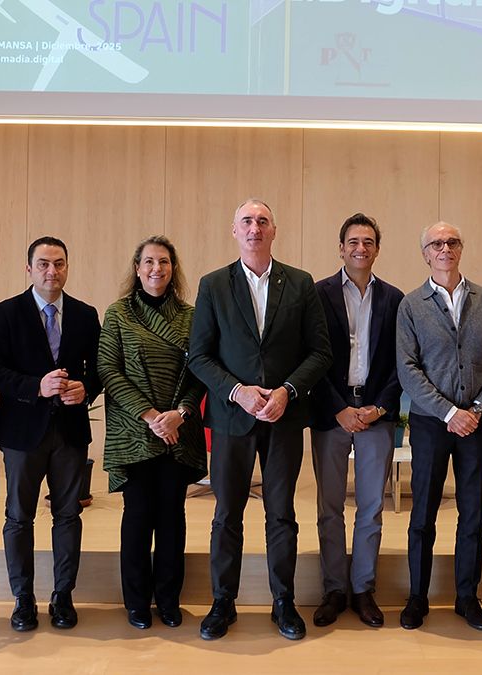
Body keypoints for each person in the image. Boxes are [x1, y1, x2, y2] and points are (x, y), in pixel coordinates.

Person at [188, 198, 331, 641]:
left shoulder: (301, 283)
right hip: (232, 419)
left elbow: (320, 352)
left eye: (263, 221)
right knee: (227, 515)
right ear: (234, 230)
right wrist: (237, 390)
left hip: (283, 420)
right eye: (247, 221)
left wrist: (287, 392)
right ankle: (222, 602)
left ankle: (282, 602)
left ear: (274, 230)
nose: (255, 228)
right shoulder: (213, 285)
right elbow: (199, 355)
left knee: (281, 514)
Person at [0, 236, 102, 632]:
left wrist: (87, 388)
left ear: (67, 267)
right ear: (28, 269)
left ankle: (63, 596)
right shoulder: (5, 314)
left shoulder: (84, 314)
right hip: (21, 432)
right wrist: (35, 387)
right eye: (44, 264)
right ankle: (23, 598)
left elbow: (100, 369)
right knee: (19, 517)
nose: (52, 271)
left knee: (68, 515)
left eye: (59, 264)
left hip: (69, 431)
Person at [395, 221, 482, 632]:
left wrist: (477, 408)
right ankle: (417, 597)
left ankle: (467, 596)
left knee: (473, 513)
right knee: (422, 513)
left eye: (452, 242)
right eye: (436, 243)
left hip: (479, 424)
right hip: (430, 424)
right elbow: (408, 369)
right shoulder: (411, 305)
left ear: (461, 249)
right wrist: (449, 413)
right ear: (425, 253)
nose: (445, 248)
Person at [98, 236, 207, 631]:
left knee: (172, 517)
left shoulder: (192, 316)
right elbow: (108, 370)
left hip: (178, 431)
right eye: (148, 262)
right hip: (136, 431)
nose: (156, 268)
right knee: (139, 516)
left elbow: (202, 371)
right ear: (137, 268)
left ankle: (168, 599)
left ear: (173, 269)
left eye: (163, 262)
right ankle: (137, 602)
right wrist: (149, 415)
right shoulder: (118, 314)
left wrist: (179, 413)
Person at [308, 213, 404, 629]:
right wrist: (337, 408)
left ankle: (363, 589)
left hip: (377, 413)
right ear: (341, 248)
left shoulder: (395, 299)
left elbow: (403, 364)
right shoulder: (317, 294)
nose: (360, 248)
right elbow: (308, 359)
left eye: (368, 242)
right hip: (332, 413)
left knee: (370, 508)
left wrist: (380, 408)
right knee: (330, 507)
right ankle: (334, 589)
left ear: (377, 249)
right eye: (352, 241)